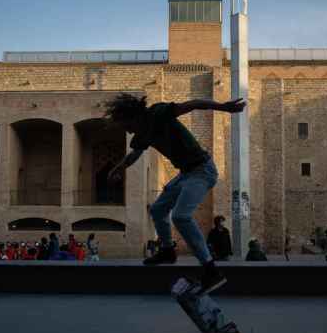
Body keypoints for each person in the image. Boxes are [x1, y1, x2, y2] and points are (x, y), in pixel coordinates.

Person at [104, 93, 245, 293]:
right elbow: (134, 154)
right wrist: (117, 168)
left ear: (133, 116)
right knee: (158, 209)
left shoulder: (158, 112)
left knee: (180, 216)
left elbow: (194, 103)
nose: (126, 130)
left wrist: (225, 108)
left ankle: (211, 270)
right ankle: (168, 250)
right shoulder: (141, 135)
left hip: (202, 170)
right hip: (185, 174)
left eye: (125, 125)